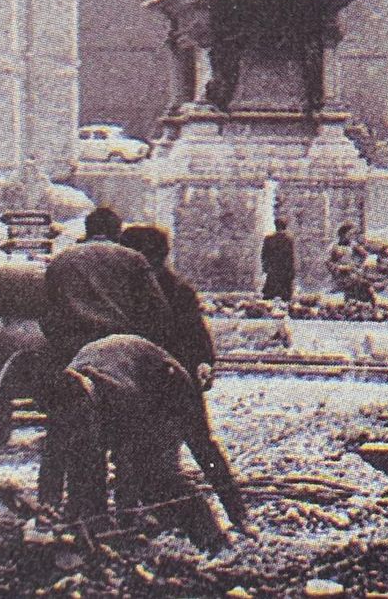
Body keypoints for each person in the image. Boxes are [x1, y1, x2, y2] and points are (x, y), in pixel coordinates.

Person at [38, 335, 250, 551]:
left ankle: (217, 537)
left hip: (164, 383)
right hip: (115, 367)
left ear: (90, 406)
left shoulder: (124, 398)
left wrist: (126, 517)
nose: (79, 427)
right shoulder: (62, 398)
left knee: (159, 478)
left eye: (84, 420)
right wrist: (46, 512)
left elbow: (130, 465)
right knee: (85, 466)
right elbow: (52, 459)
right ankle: (101, 538)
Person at [40, 207, 174, 373]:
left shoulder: (60, 260)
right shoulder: (132, 258)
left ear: (88, 229)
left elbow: (47, 310)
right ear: (118, 232)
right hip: (119, 349)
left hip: (70, 348)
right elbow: (158, 309)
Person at [117, 224, 215, 390]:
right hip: (168, 378)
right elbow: (199, 341)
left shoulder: (118, 288)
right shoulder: (178, 289)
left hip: (149, 379)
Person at [259, 218, 296, 302]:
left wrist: (265, 266)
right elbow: (291, 256)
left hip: (273, 268)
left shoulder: (268, 238)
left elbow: (264, 254)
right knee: (286, 295)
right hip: (284, 268)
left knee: (269, 293)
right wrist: (292, 270)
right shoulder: (288, 238)